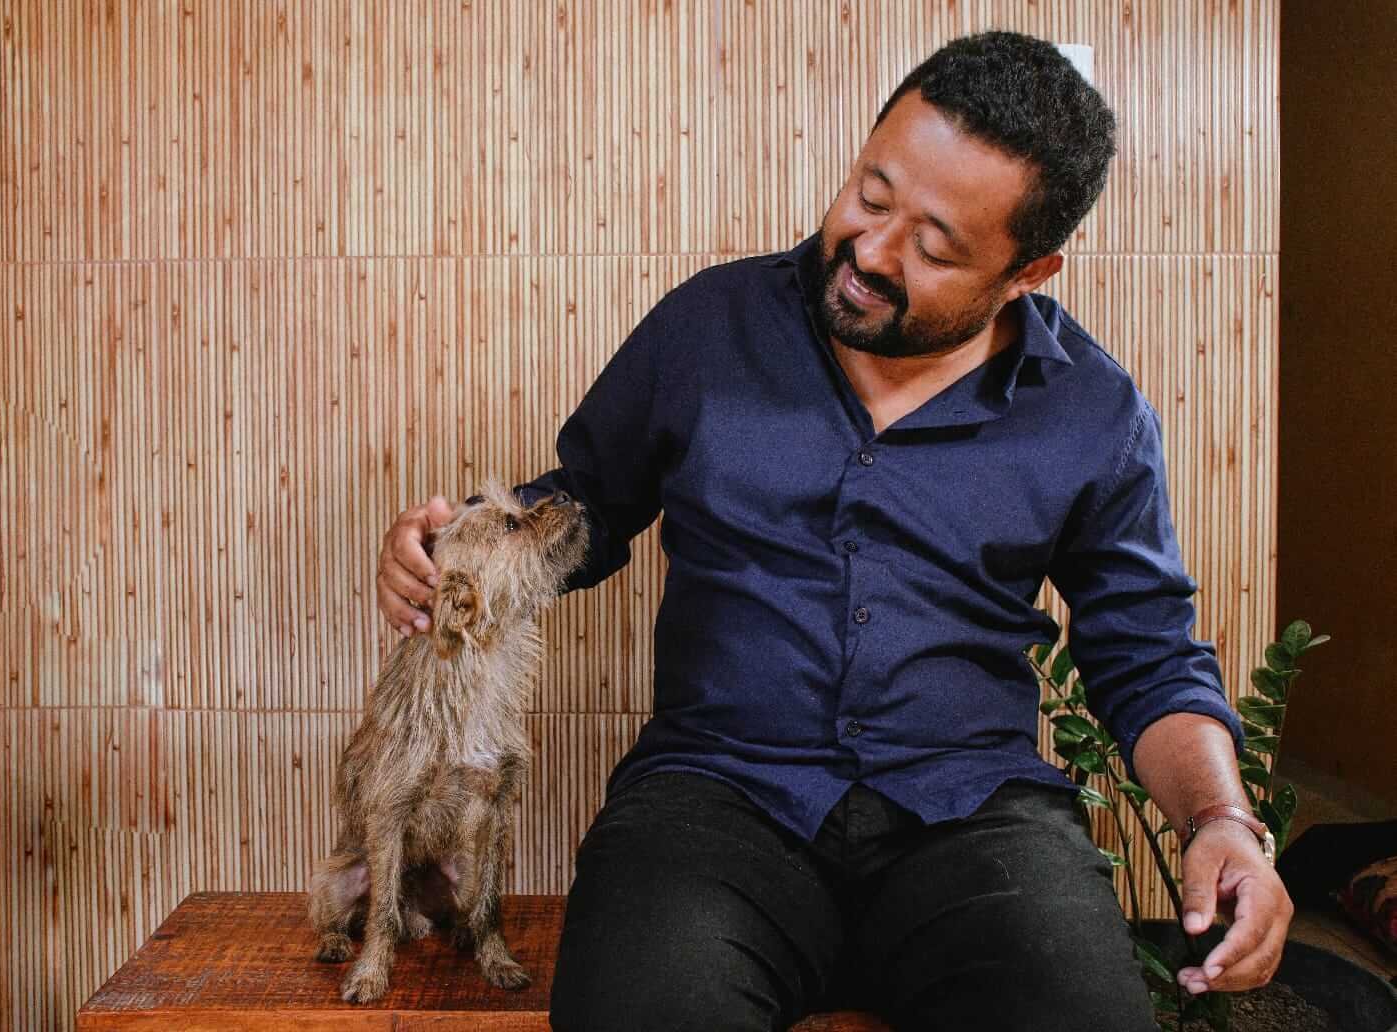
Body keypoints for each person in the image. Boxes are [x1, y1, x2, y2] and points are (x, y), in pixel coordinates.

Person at [373, 31, 1292, 1031]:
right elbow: (585, 503)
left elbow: (1146, 656)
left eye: (935, 248)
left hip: (975, 822)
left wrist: (1221, 821)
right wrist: (450, 550)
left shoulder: (1094, 413)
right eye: (870, 193)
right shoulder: (708, 327)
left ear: (1028, 271)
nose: (871, 252)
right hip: (714, 803)